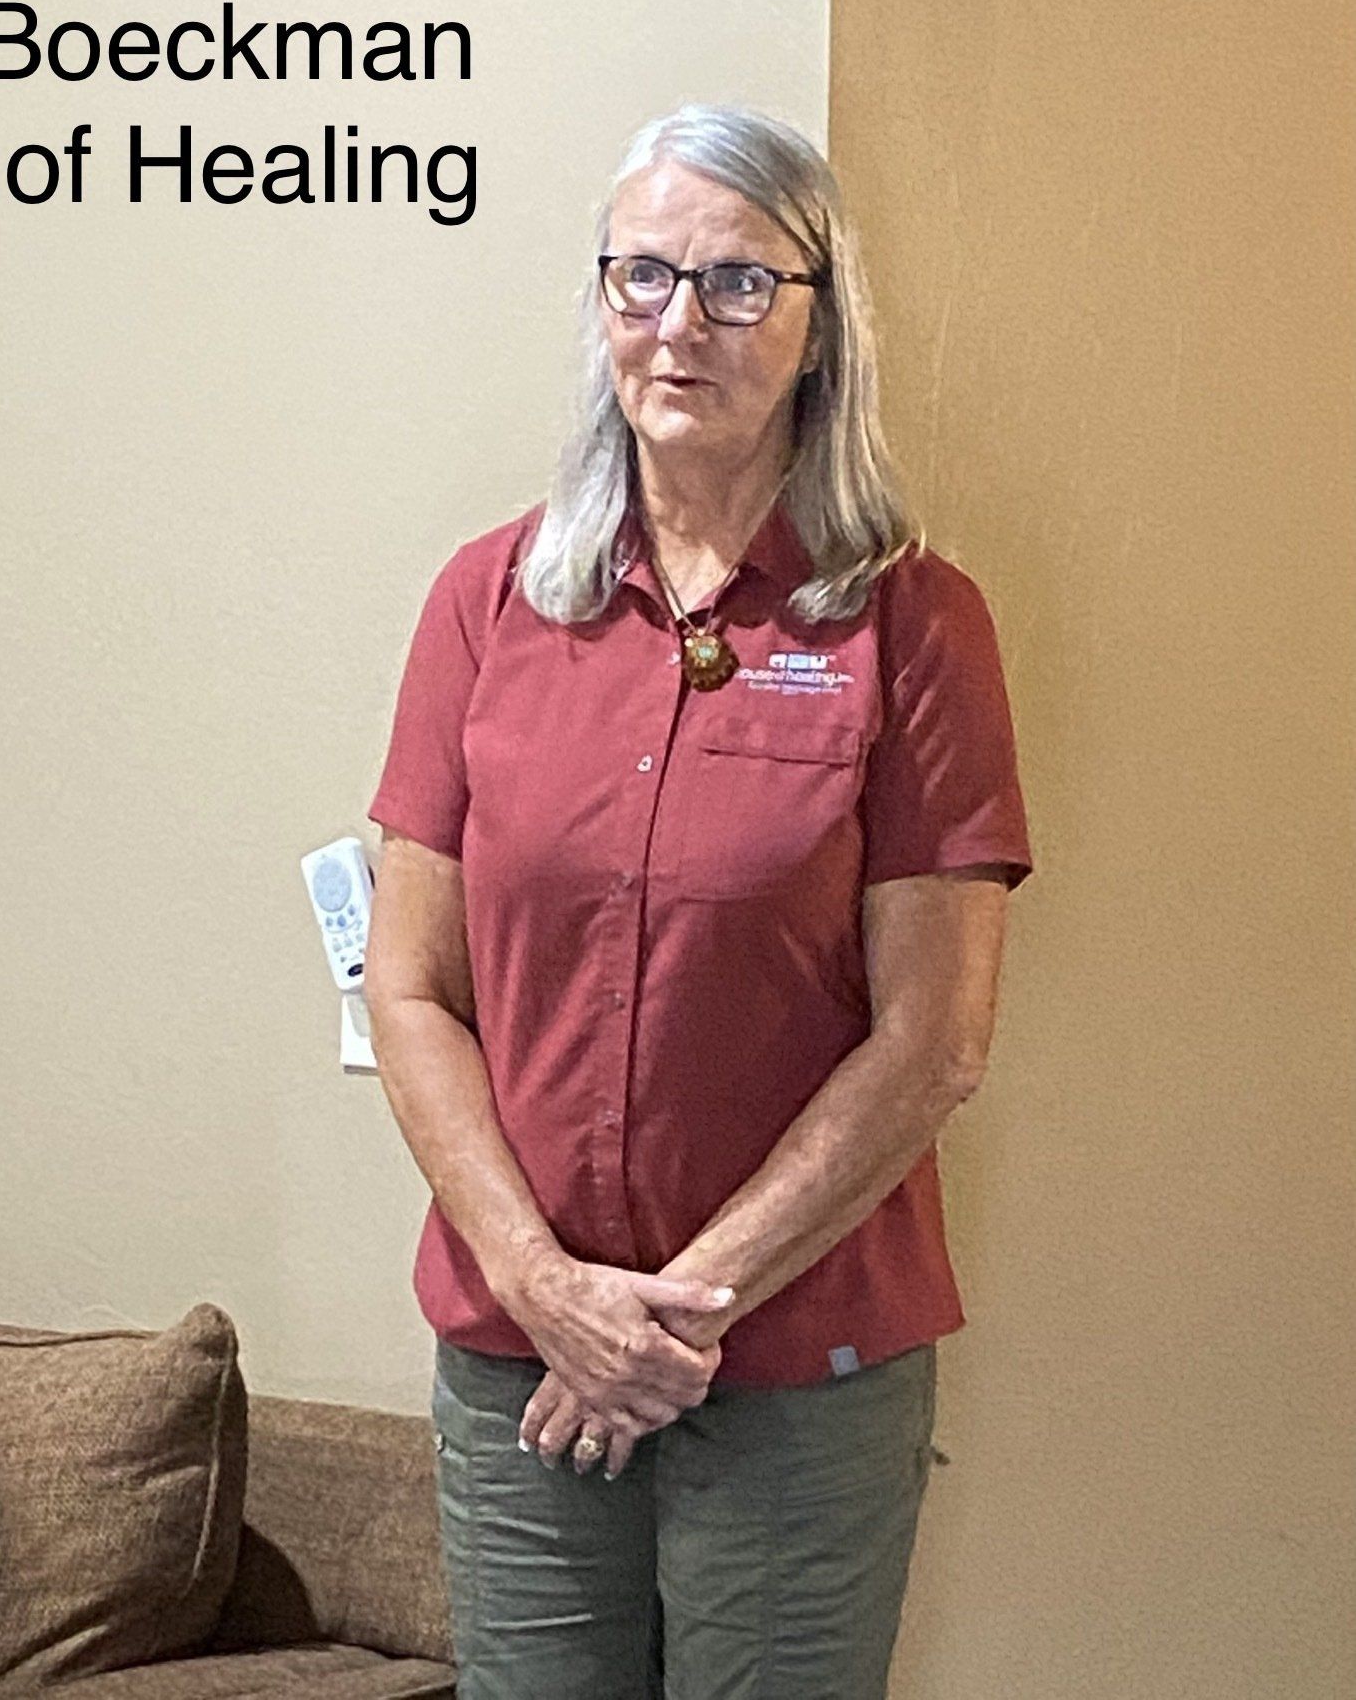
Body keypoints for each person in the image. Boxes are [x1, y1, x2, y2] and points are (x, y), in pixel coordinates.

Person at [362, 101, 1035, 1699]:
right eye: (641, 276)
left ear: (818, 328)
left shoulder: (914, 626)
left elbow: (931, 1038)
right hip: (520, 1363)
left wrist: (673, 1314)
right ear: (599, 306)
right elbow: (410, 989)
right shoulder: (486, 602)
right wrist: (544, 1289)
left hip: (800, 1369)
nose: (681, 322)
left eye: (739, 284)